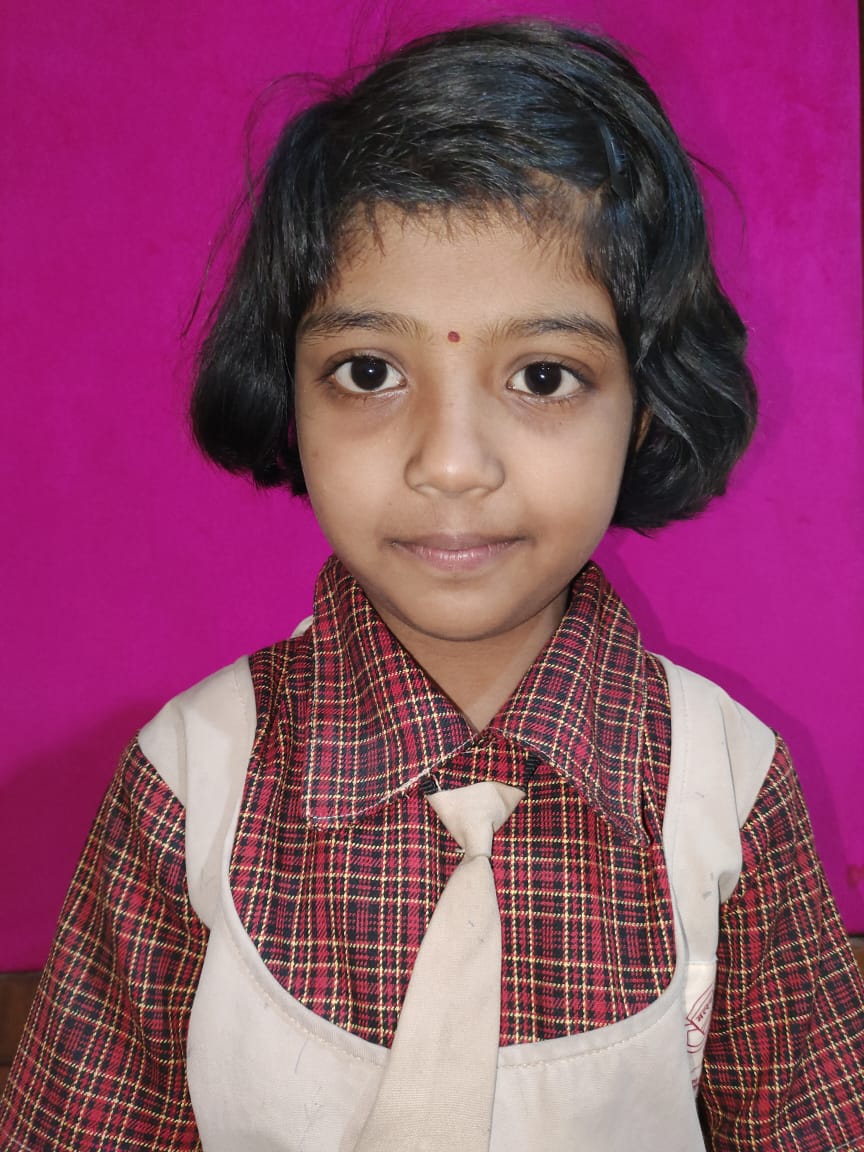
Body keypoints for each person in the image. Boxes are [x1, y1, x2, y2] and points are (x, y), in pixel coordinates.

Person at [2, 19, 863, 1151]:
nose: (450, 464)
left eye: (544, 376)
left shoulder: (731, 786)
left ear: (647, 410)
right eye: (369, 372)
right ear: (289, 396)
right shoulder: (188, 781)